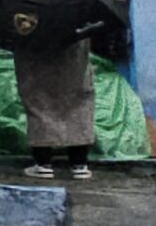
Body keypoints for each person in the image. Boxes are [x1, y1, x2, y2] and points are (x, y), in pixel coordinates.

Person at [14, 37, 96, 180]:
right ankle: (79, 164)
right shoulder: (79, 22)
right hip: (74, 44)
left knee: (39, 101)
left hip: (35, 41)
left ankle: (43, 163)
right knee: (78, 102)